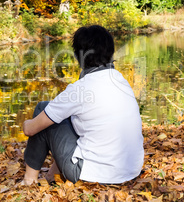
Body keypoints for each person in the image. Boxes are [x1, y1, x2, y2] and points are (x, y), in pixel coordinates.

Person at [22, 25, 144, 185]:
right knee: (69, 117)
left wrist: (26, 123)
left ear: (78, 56)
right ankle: (52, 177)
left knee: (43, 109)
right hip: (130, 170)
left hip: (94, 175)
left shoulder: (80, 89)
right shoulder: (120, 79)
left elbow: (30, 129)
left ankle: (29, 180)